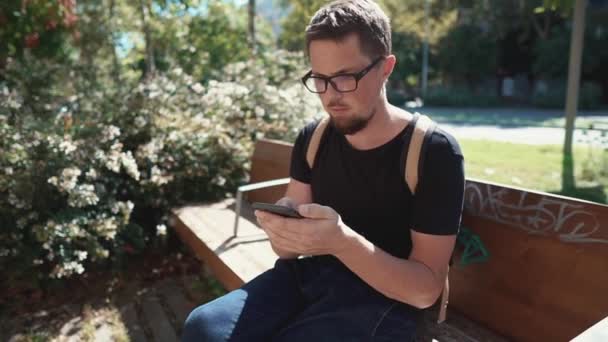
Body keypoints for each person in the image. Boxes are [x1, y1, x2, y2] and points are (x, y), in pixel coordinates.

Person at [182, 0, 465, 341]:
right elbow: (286, 252)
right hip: (310, 279)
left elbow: (424, 290)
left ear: (386, 67)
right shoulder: (314, 137)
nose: (330, 96)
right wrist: (283, 230)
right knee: (203, 328)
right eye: (319, 79)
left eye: (345, 78)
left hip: (387, 300)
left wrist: (342, 242)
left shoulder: (433, 151)